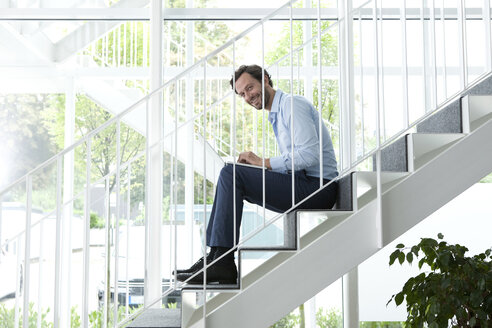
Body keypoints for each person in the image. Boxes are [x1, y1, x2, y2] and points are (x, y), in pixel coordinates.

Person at [176, 64, 338, 285]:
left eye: (250, 88)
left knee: (232, 174)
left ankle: (221, 261)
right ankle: (215, 257)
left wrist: (263, 163)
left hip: (319, 188)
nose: (248, 96)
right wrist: (261, 167)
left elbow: (309, 155)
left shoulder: (291, 104)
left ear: (265, 79)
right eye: (242, 94)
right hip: (303, 182)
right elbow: (296, 161)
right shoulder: (277, 114)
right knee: (230, 174)